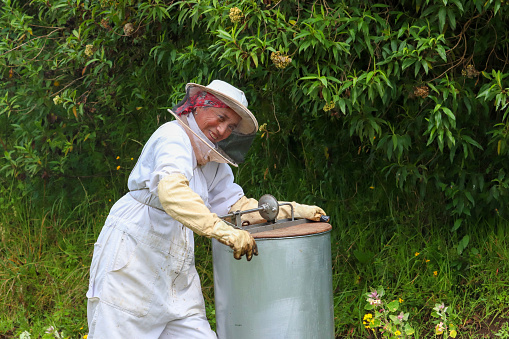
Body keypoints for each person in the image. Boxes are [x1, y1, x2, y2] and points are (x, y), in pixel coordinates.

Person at [86, 80, 326, 338]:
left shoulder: (212, 161)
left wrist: (293, 210)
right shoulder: (172, 137)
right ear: (198, 106)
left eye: (231, 126)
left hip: (176, 280)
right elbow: (172, 192)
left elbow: (237, 208)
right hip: (133, 263)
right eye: (220, 117)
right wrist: (223, 232)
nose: (223, 130)